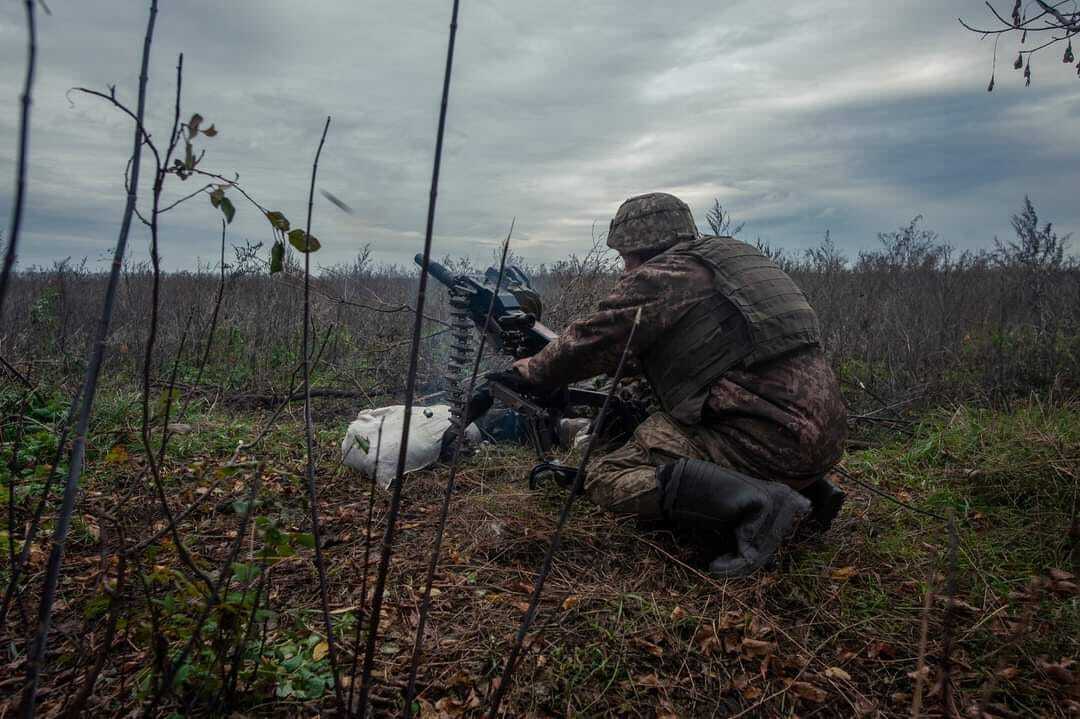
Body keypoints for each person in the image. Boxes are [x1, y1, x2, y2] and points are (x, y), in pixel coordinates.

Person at [509, 192, 849, 577]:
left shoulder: (665, 275)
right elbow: (703, 349)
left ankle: (763, 505)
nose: (624, 270)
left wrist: (532, 370)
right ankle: (807, 490)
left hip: (766, 440)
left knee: (606, 475)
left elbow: (595, 339)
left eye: (624, 258)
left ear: (638, 249)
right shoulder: (731, 259)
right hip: (820, 436)